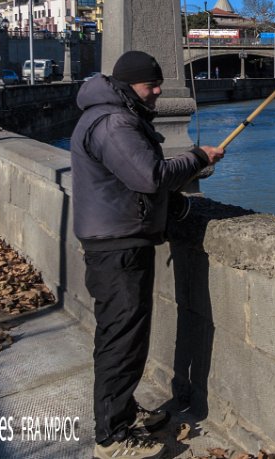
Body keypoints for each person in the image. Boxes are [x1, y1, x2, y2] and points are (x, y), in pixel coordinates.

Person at [71, 50, 224, 459]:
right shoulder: (115, 121)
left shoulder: (112, 113)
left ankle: (121, 411)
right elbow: (149, 176)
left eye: (158, 82)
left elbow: (133, 179)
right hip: (117, 245)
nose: (158, 90)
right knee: (121, 340)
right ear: (128, 84)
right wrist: (197, 158)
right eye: (150, 84)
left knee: (124, 336)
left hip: (118, 238)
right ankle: (112, 438)